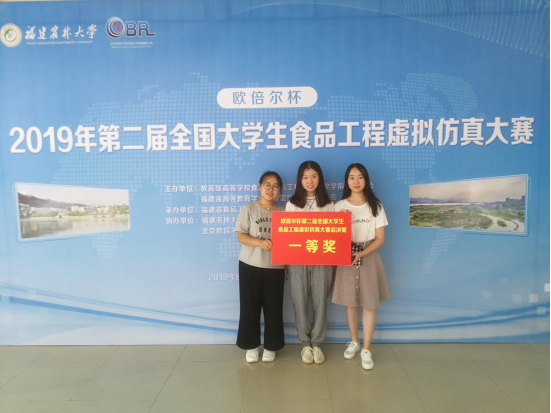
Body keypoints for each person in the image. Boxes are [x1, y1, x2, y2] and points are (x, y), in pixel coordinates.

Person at [332, 163, 390, 370]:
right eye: (352, 177)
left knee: (369, 304)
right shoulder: (339, 206)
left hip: (369, 256)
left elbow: (380, 239)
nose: (356, 181)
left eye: (360, 177)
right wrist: (341, 223)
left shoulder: (376, 206)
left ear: (366, 180)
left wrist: (361, 254)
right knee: (350, 302)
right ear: (346, 181)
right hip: (346, 256)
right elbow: (332, 235)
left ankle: (366, 349)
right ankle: (354, 341)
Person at [286, 161, 334, 364]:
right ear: (299, 180)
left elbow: (335, 233)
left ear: (319, 178)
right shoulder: (292, 203)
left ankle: (317, 343)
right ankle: (305, 343)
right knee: (299, 301)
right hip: (297, 261)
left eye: (313, 176)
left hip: (322, 260)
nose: (309, 181)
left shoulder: (328, 204)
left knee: (320, 301)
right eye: (305, 177)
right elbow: (287, 235)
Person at [235, 171, 285, 363]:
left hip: (276, 268)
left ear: (279, 190)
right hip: (250, 265)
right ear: (260, 186)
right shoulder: (249, 208)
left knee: (274, 309)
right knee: (250, 307)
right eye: (267, 185)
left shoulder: (283, 213)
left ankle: (272, 346)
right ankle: (252, 345)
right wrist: (259, 243)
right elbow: (241, 236)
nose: (271, 189)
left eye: (275, 186)